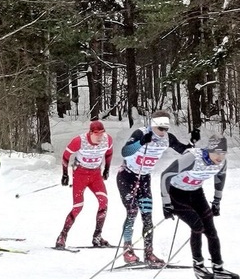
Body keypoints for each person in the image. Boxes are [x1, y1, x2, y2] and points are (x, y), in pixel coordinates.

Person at [116, 111, 197, 265]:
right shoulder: (141, 133)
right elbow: (125, 152)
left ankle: (149, 253)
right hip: (127, 176)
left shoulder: (167, 138)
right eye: (160, 128)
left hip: (144, 178)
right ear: (153, 125)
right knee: (132, 211)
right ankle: (127, 250)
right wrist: (140, 143)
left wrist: (192, 143)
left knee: (147, 216)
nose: (163, 132)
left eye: (165, 128)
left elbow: (184, 151)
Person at [160, 134, 236, 279]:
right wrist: (166, 203)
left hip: (196, 193)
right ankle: (199, 266)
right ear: (209, 150)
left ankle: (218, 269)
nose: (220, 157)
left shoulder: (221, 162)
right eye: (217, 153)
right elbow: (165, 175)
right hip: (176, 194)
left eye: (223, 153)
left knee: (211, 230)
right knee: (197, 226)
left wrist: (216, 201)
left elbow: (220, 179)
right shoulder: (192, 158)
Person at [55, 120, 113, 249]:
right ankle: (62, 236)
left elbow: (109, 153)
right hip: (80, 174)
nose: (100, 137)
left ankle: (97, 237)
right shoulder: (79, 141)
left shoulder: (107, 140)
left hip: (96, 175)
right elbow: (66, 156)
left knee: (103, 202)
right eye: (97, 134)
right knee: (78, 207)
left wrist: (107, 169)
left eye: (102, 133)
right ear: (90, 133)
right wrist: (65, 174)